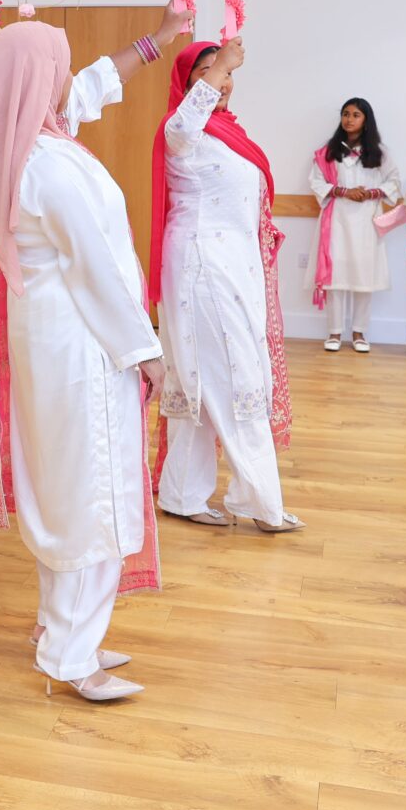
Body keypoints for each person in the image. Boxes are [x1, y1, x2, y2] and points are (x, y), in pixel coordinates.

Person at [0, 8, 187, 703]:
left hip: (55, 337)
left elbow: (91, 86)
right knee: (94, 487)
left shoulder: (24, 146)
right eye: (58, 69)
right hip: (86, 340)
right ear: (38, 81)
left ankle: (60, 629)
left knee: (64, 483)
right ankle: (71, 653)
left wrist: (159, 39)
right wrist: (145, 351)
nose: (70, 79)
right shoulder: (48, 167)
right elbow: (98, 270)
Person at [149, 39, 301, 533]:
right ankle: (260, 502)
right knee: (236, 379)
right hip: (201, 263)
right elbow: (183, 122)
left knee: (202, 379)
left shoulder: (226, 132)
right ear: (188, 82)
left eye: (228, 72)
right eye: (210, 72)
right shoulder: (182, 129)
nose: (224, 81)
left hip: (232, 264)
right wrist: (223, 65)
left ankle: (182, 494)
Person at [307, 97, 400, 353]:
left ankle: (359, 332)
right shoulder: (328, 152)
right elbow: (316, 181)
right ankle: (334, 332)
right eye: (345, 114)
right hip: (336, 220)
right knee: (335, 276)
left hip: (366, 222)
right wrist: (343, 191)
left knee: (363, 276)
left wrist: (371, 194)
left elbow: (393, 181)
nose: (349, 119)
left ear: (366, 120)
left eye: (355, 115)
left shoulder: (379, 153)